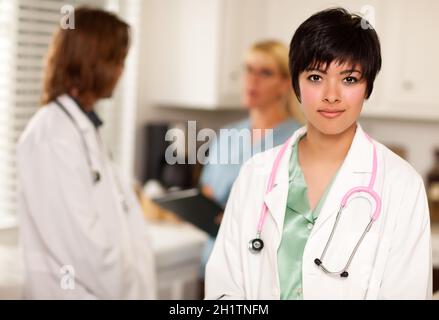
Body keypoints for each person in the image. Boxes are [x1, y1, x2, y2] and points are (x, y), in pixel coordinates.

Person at [205, 8, 432, 300]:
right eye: (315, 76)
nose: (331, 94)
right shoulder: (255, 173)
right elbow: (224, 290)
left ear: (367, 87)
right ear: (296, 84)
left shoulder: (402, 185)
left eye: (349, 79)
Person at [17, 7, 156, 299]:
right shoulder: (51, 136)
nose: (121, 71)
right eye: (118, 60)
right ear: (95, 62)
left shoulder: (82, 127)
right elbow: (83, 247)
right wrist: (131, 285)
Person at [199, 40, 302, 284]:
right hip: (214, 263)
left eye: (265, 73)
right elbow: (207, 191)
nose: (251, 80)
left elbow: (297, 214)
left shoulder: (297, 141)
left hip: (261, 274)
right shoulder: (226, 136)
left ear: (285, 84)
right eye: (248, 69)